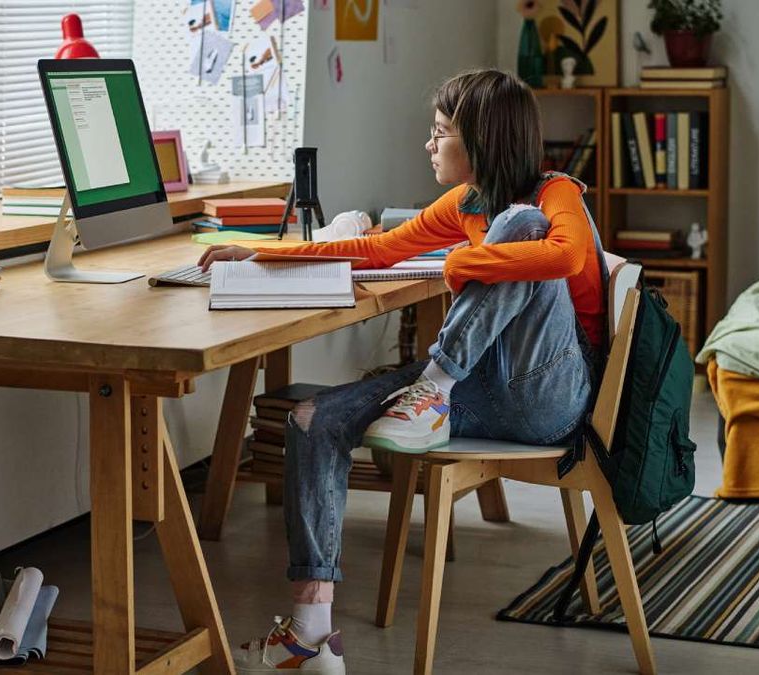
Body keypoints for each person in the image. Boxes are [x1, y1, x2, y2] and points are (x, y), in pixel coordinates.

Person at [199, 68, 608, 674]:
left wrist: (466, 261)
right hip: (481, 386)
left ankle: (433, 389)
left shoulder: (554, 196)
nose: (428, 143)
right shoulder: (466, 203)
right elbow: (377, 249)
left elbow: (567, 255)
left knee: (520, 227)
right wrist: (263, 253)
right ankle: (310, 636)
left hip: (550, 396)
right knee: (313, 419)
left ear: (482, 140)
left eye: (441, 132)